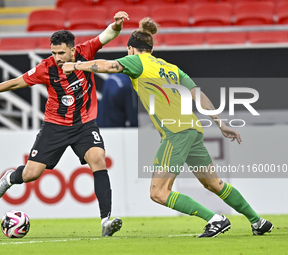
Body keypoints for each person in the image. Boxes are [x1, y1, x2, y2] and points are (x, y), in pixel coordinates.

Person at [62, 17, 274, 238]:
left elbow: (108, 65)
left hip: (176, 133)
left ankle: (215, 219)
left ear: (131, 49)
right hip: (193, 129)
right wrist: (220, 123)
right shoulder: (171, 68)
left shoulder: (138, 62)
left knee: (159, 193)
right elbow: (197, 94)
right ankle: (257, 221)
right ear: (151, 49)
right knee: (214, 183)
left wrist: (75, 65)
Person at [0, 11, 129, 237]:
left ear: (72, 49)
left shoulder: (85, 52)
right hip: (55, 126)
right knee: (31, 174)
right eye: (54, 52)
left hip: (84, 125)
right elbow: (15, 83)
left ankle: (106, 220)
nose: (58, 57)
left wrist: (116, 25)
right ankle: (11, 177)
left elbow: (107, 35)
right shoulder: (46, 68)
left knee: (98, 159)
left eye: (61, 52)